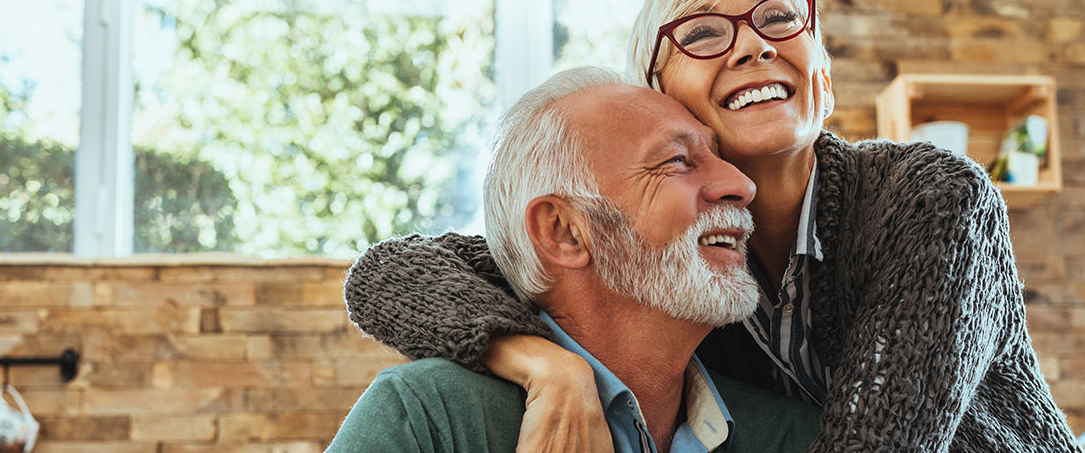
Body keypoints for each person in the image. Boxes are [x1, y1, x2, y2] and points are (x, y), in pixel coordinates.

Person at [342, 0, 1085, 451]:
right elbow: (394, 273)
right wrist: (548, 365)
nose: (755, 41)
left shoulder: (926, 199)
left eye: (781, 14)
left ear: (821, 72)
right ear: (659, 93)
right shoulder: (681, 272)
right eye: (701, 31)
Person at [328, 66, 820, 452]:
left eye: (720, 157)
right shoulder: (428, 418)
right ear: (563, 232)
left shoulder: (797, 437)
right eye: (677, 161)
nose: (741, 185)